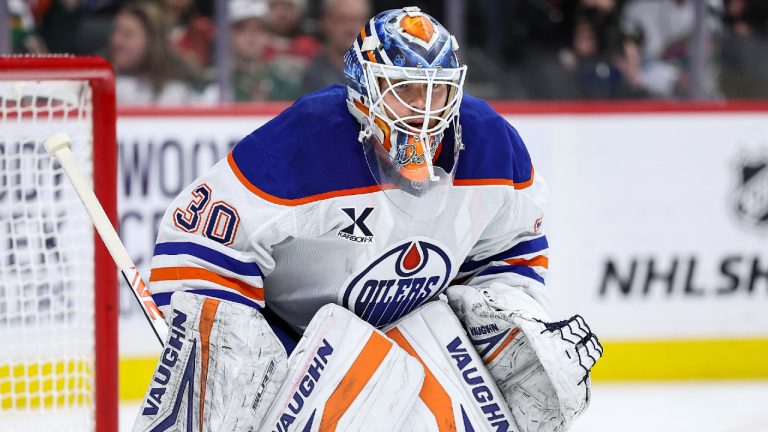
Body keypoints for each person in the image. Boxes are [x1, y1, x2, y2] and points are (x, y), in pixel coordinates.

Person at [141, 6, 602, 430]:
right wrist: (226, 346)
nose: (425, 110)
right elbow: (200, 240)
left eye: (437, 90)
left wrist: (504, 324)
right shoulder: (305, 142)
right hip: (292, 342)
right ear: (364, 89)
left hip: (414, 330)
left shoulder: (491, 146)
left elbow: (512, 248)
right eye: (405, 91)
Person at [109, 1, 212, 105]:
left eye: (127, 35)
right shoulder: (101, 82)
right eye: (115, 32)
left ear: (153, 41)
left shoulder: (179, 90)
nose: (116, 41)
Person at [301, 0, 371, 94]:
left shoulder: (381, 71)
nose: (351, 28)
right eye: (343, 20)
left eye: (359, 20)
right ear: (325, 22)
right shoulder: (309, 72)